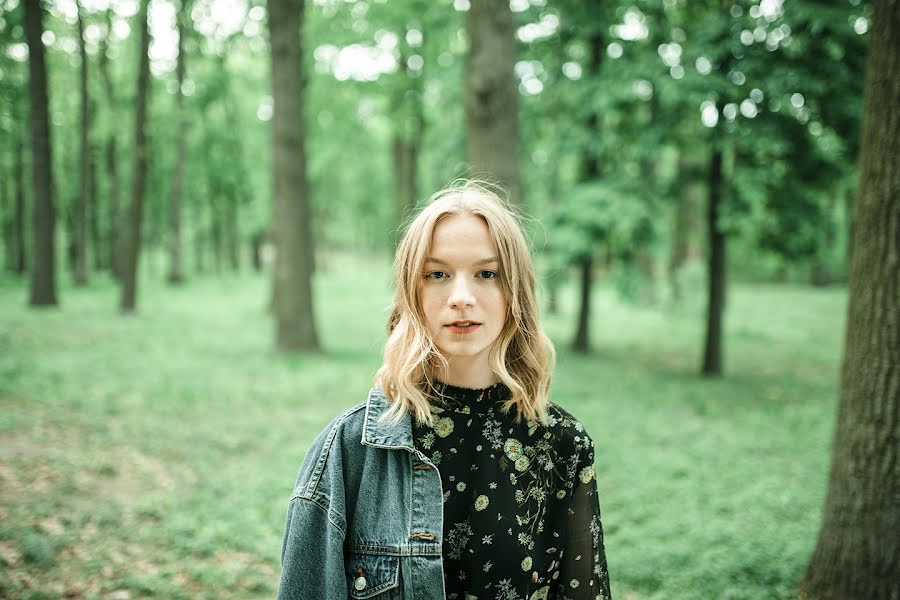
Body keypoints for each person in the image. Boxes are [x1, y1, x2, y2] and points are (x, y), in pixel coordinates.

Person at [276, 181, 611, 600]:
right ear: (411, 292)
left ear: (515, 294)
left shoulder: (561, 446)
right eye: (437, 274)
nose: (461, 297)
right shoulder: (349, 452)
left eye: (487, 274)